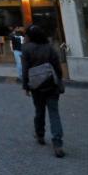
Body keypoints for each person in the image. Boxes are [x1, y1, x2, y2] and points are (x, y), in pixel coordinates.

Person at [22, 24, 65, 158]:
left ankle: (40, 134)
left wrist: (26, 86)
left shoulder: (27, 49)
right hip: (51, 85)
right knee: (54, 113)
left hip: (37, 86)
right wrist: (59, 80)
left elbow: (25, 70)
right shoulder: (50, 48)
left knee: (39, 111)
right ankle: (57, 143)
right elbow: (57, 67)